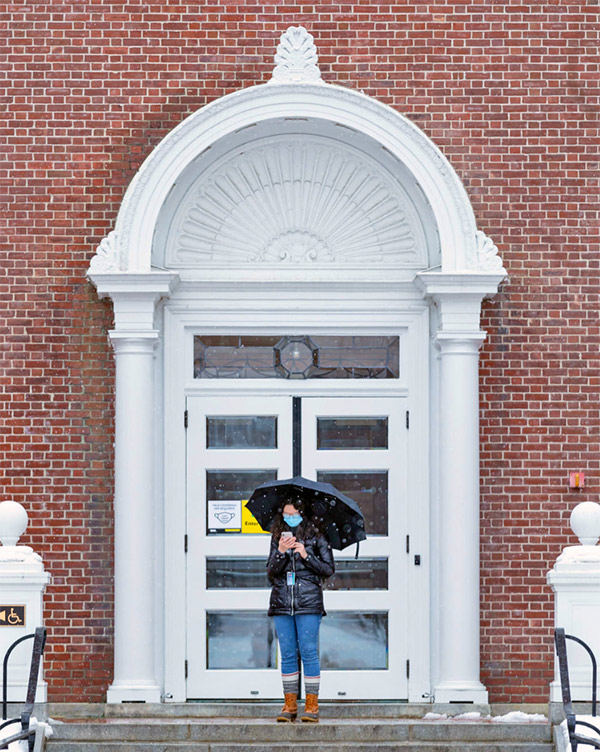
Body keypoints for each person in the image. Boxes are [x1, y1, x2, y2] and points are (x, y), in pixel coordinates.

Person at [267, 498, 334, 723]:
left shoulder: (317, 536)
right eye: (285, 514)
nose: (289, 518)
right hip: (282, 602)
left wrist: (306, 555)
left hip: (308, 602)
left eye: (293, 513)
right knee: (287, 653)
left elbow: (327, 569)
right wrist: (281, 552)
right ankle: (290, 705)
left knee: (308, 651)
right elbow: (271, 572)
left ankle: (312, 706)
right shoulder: (278, 537)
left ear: (302, 513)